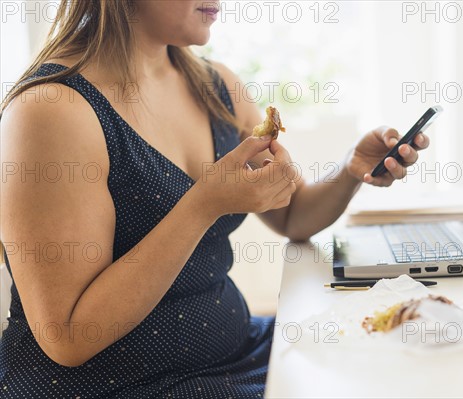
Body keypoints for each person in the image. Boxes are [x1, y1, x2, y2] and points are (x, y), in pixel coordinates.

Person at [0, 1, 429, 397]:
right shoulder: (50, 110)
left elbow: (293, 216)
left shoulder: (215, 85)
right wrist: (203, 205)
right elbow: (69, 338)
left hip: (235, 353)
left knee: (396, 362)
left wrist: (351, 171)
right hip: (121, 386)